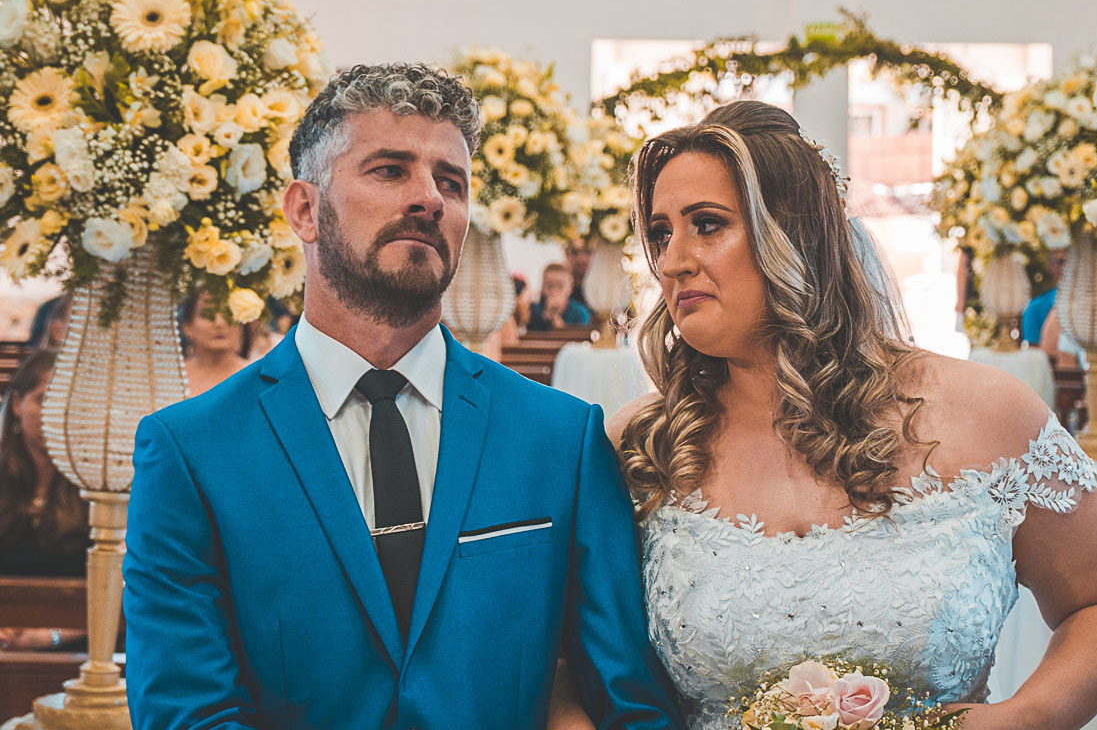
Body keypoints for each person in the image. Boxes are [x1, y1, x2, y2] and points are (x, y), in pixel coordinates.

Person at [123, 63, 681, 730]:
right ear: (304, 209)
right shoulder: (193, 451)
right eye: (390, 170)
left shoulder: (560, 438)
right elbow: (187, 711)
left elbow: (625, 703)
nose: (430, 199)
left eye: (451, 182)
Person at [600, 101, 1097, 729]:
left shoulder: (989, 417)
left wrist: (1024, 718)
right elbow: (571, 666)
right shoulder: (642, 447)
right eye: (662, 233)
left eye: (707, 224)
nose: (672, 262)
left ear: (798, 233)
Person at [0, 350, 88, 652]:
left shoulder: (95, 486)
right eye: (43, 400)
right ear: (16, 404)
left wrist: (49, 634)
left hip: (75, 647)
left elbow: (116, 586)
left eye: (66, 402)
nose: (54, 413)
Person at [179, 289, 250, 397]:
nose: (219, 323)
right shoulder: (173, 379)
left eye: (228, 313)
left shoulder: (253, 376)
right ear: (187, 327)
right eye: (207, 315)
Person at [1021, 250, 1067, 345]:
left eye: (1070, 262)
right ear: (1050, 267)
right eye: (1060, 262)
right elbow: (1034, 355)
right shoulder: (1034, 309)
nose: (1066, 268)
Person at [528, 262, 591, 331]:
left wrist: (559, 323)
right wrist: (545, 318)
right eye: (549, 286)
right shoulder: (533, 310)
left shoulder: (580, 312)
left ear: (570, 288)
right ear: (542, 288)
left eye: (560, 286)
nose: (554, 291)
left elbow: (582, 336)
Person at [564, 237, 594, 310]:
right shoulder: (561, 288)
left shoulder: (602, 287)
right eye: (574, 252)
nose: (581, 258)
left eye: (587, 252)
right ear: (566, 254)